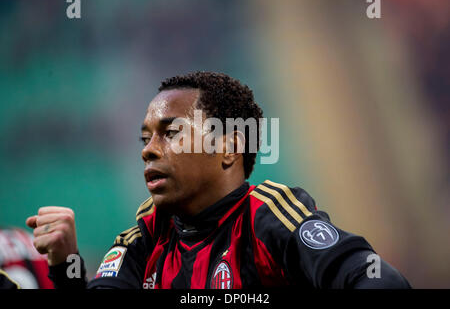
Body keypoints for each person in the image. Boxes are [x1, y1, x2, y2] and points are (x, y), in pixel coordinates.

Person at [25, 72, 411, 289]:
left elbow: (375, 278)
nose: (148, 150)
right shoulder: (146, 233)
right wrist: (66, 265)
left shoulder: (268, 216)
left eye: (170, 133)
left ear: (228, 148)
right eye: (145, 138)